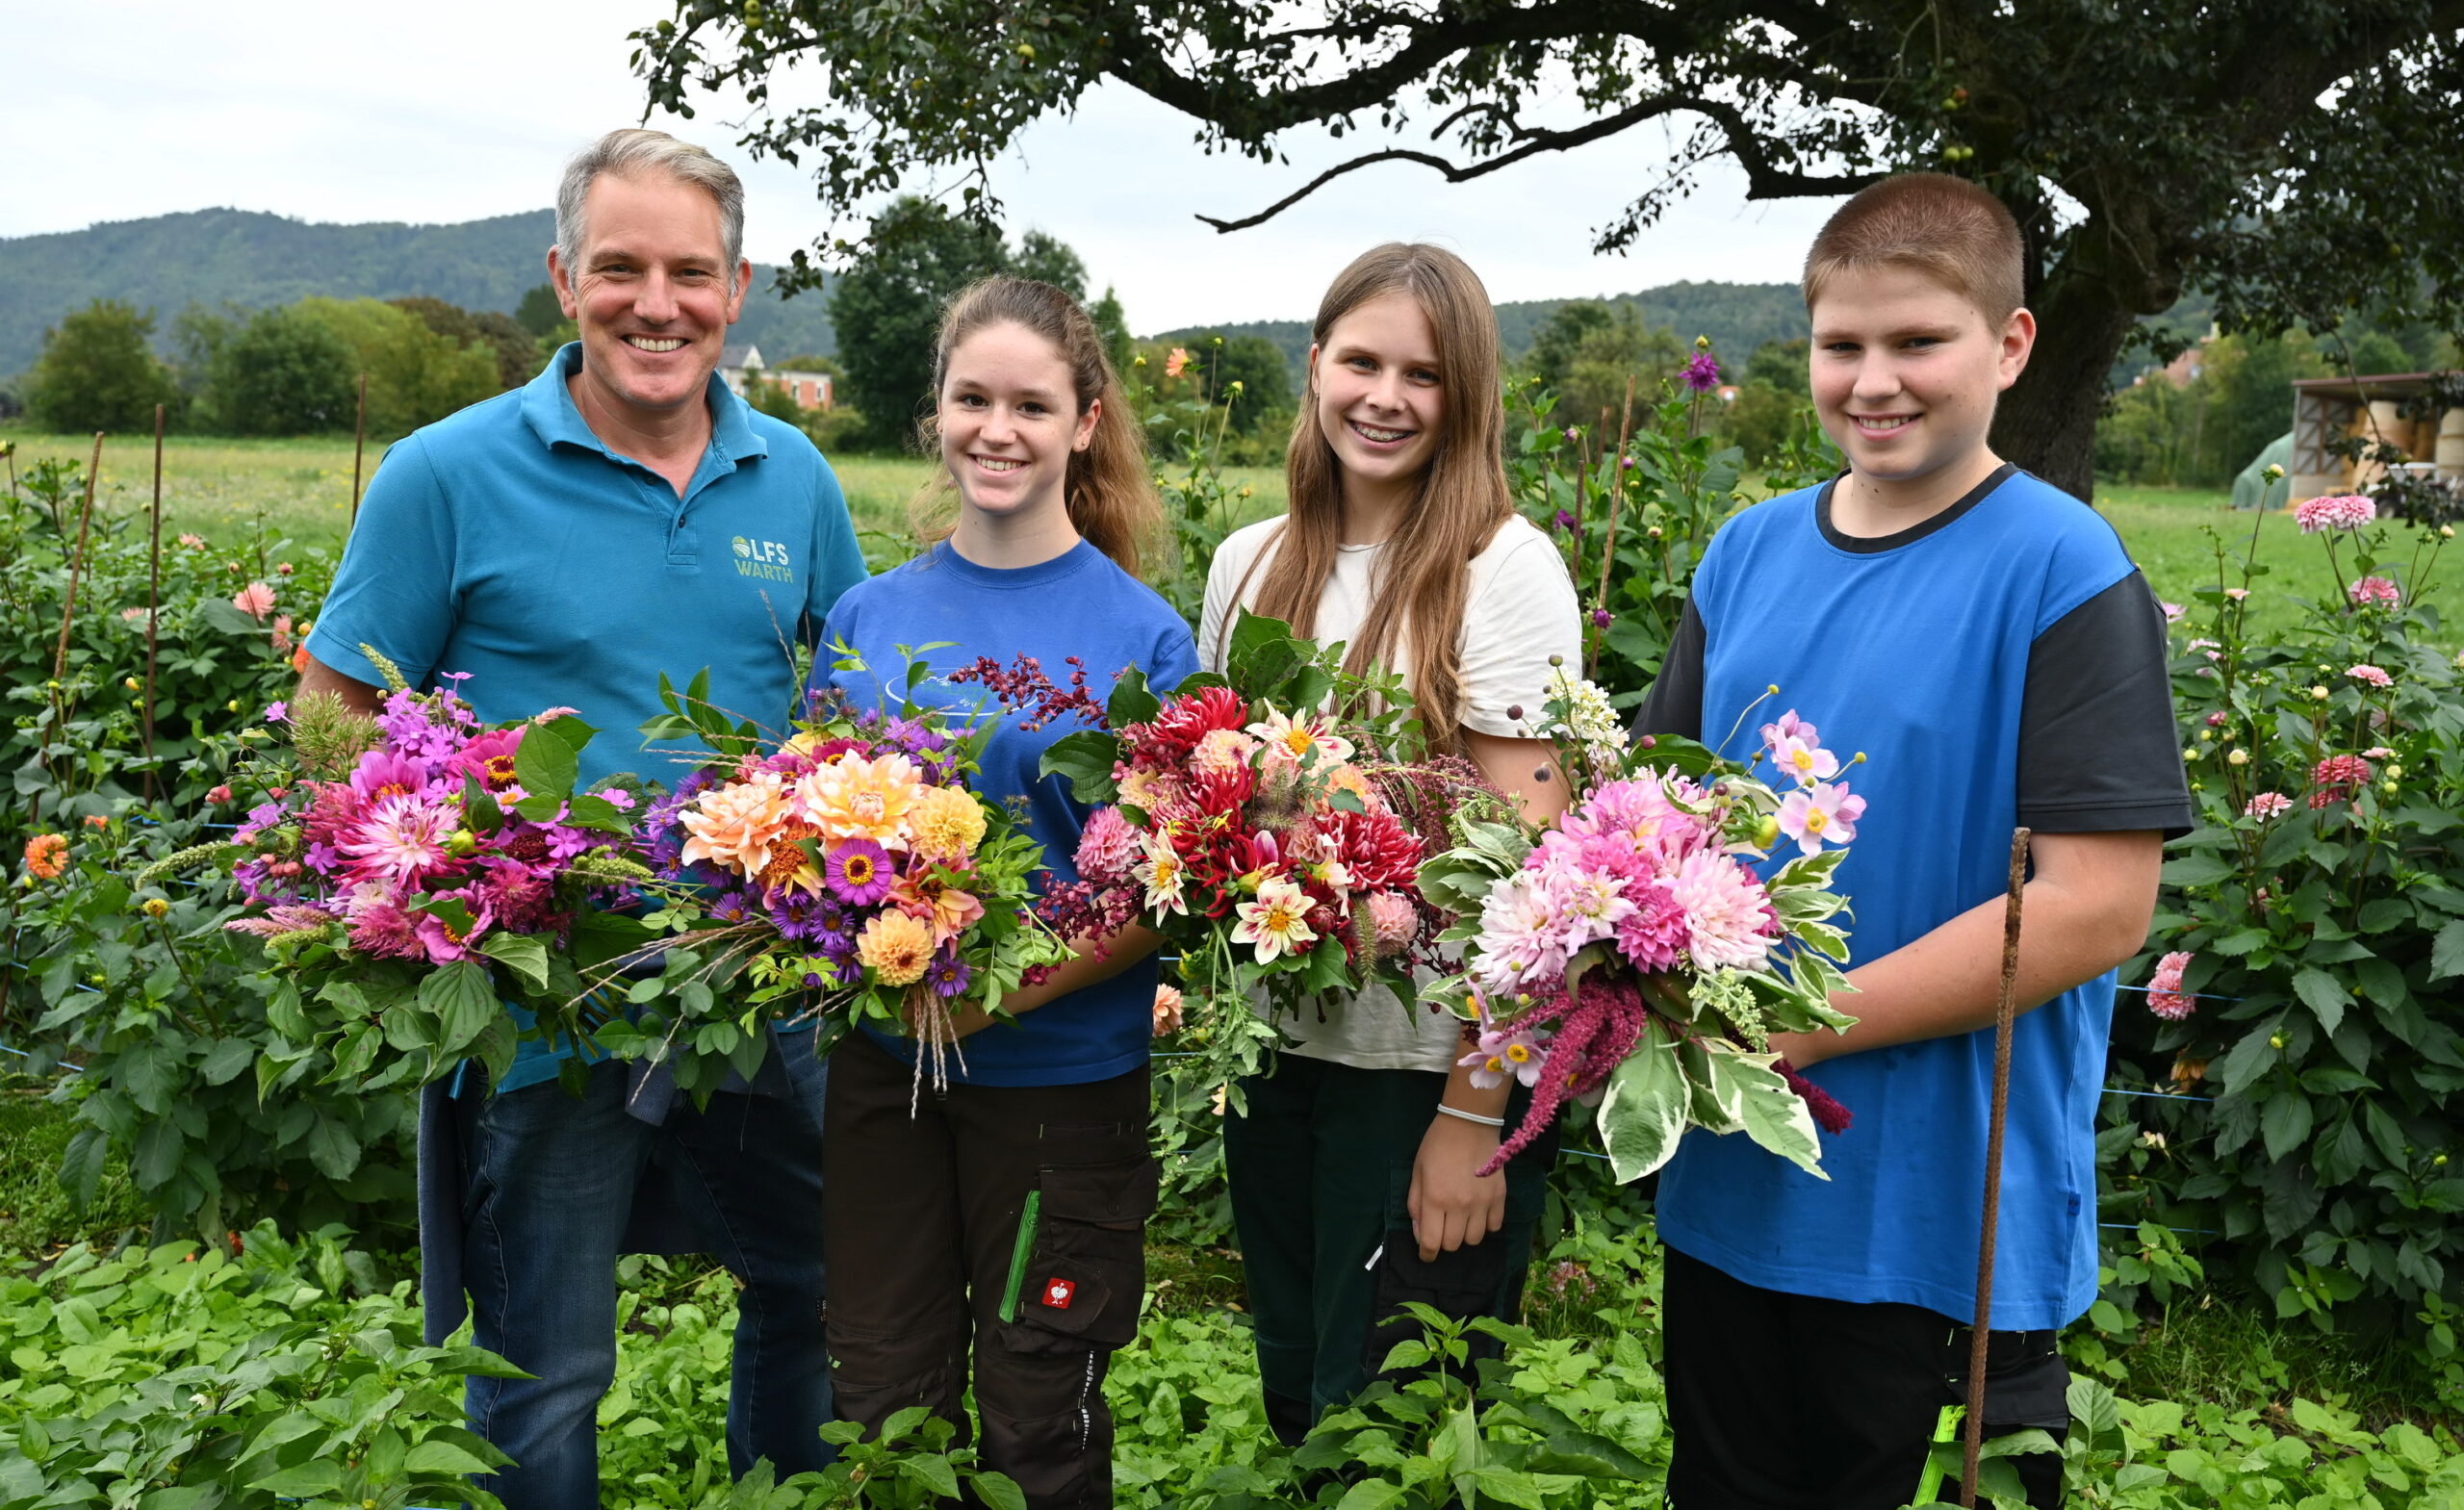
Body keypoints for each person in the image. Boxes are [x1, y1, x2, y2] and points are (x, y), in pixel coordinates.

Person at [299, 128, 869, 1509]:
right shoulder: (447, 472)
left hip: (747, 991)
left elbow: (847, 708)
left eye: (690, 271)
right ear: (564, 278)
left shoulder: (791, 477)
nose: (654, 303)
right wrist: (443, 870)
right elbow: (330, 709)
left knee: (819, 1282)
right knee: (546, 1359)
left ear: (740, 288)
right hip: (544, 1007)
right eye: (620, 267)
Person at [1630, 173, 2192, 1509]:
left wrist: (1804, 1023)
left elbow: (2097, 906)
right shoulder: (1745, 553)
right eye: (1842, 345)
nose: (1875, 379)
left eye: (1917, 342)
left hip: (1942, 1213)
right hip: (1735, 1180)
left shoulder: (2064, 568)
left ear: (2009, 345)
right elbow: (1650, 818)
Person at [814, 274, 1197, 1510]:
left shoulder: (1144, 639)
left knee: (1042, 1411)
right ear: (936, 411)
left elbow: (1165, 883)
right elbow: (809, 841)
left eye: (1030, 403)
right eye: (971, 397)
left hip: (1060, 1089)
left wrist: (997, 994)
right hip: (887, 1079)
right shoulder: (870, 615)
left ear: (1085, 421)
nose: (997, 427)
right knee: (881, 1399)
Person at [1197, 243, 1581, 1443]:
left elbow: (1534, 876)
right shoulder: (1251, 562)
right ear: (1314, 366)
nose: (1385, 396)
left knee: (1395, 1428)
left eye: (1422, 374)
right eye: (1360, 360)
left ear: (1464, 399)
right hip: (1281, 1051)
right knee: (1300, 1398)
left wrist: (1477, 1111)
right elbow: (1210, 803)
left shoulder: (1500, 569)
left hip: (1420, 1071)